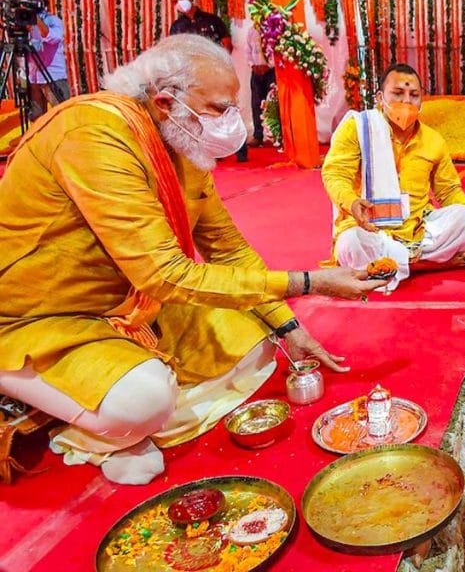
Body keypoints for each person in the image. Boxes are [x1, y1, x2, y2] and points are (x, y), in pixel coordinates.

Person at [0, 35, 384, 485]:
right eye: (221, 109)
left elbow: (228, 248)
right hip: (45, 315)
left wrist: (290, 328)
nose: (233, 122)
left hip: (133, 302)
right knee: (144, 399)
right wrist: (311, 282)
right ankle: (98, 430)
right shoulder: (93, 136)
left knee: (259, 343)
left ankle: (115, 402)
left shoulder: (180, 140)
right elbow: (163, 274)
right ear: (166, 102)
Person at [322, 63, 465, 292]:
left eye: (414, 95)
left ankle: (395, 265)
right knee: (350, 244)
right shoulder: (359, 128)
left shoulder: (433, 141)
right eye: (397, 93)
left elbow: (448, 190)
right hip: (369, 229)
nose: (406, 101)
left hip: (416, 229)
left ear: (422, 101)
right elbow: (335, 173)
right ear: (380, 97)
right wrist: (351, 202)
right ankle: (422, 265)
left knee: (462, 220)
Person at [169, 0, 247, 162]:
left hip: (217, 71)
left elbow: (226, 42)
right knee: (204, 112)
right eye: (174, 1)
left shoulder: (212, 20)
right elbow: (174, 50)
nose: (179, 4)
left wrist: (221, 63)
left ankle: (240, 149)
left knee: (228, 108)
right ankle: (214, 152)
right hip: (194, 75)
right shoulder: (177, 26)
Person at [27, 4, 70, 122]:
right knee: (37, 120)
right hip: (33, 78)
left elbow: (52, 37)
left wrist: (35, 20)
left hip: (53, 77)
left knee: (62, 117)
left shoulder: (53, 20)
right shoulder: (22, 22)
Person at [247, 27, 275, 147]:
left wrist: (269, 65)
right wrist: (252, 65)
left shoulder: (273, 28)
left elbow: (276, 50)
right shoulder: (252, 30)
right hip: (256, 72)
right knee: (256, 104)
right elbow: (248, 50)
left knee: (273, 104)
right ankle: (258, 135)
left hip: (271, 72)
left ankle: (276, 136)